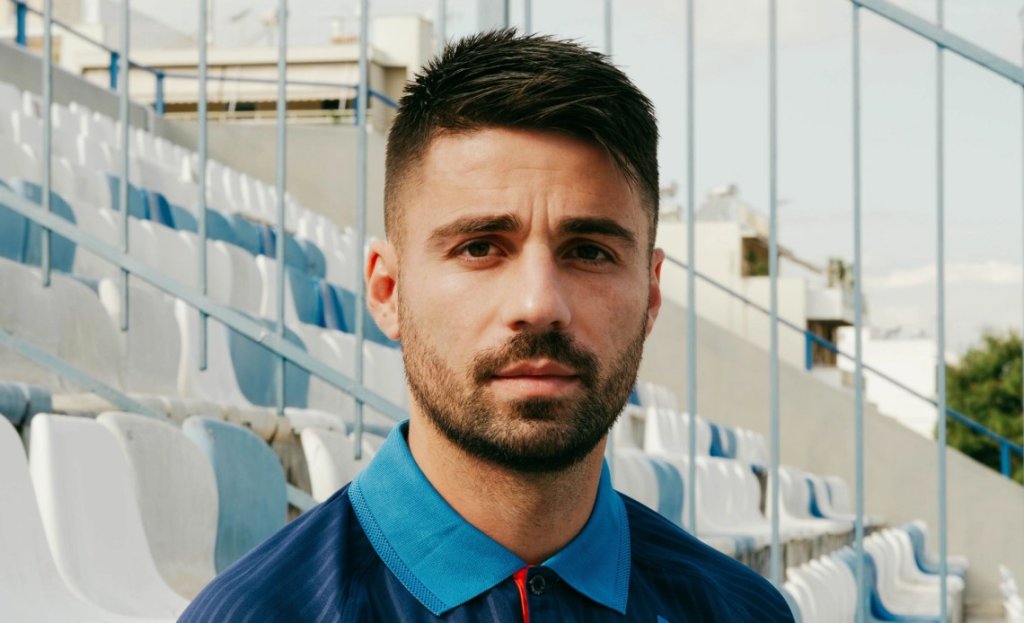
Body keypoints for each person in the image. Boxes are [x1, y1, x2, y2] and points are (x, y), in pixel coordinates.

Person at [180, 29, 796, 622]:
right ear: (387, 291)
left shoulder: (742, 612)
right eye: (479, 247)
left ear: (652, 294)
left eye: (588, 251)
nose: (539, 304)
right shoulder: (257, 616)